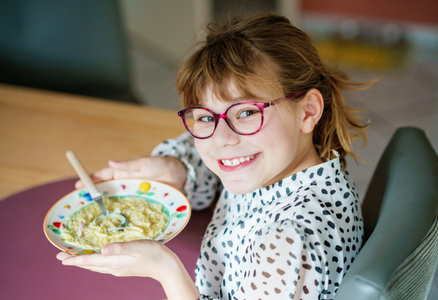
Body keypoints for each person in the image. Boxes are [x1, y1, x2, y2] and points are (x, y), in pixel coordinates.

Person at [57, 13, 374, 299]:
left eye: (247, 112)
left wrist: (164, 269)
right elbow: (209, 161)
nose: (222, 139)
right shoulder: (285, 167)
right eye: (206, 117)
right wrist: (176, 168)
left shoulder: (283, 245)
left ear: (307, 111)